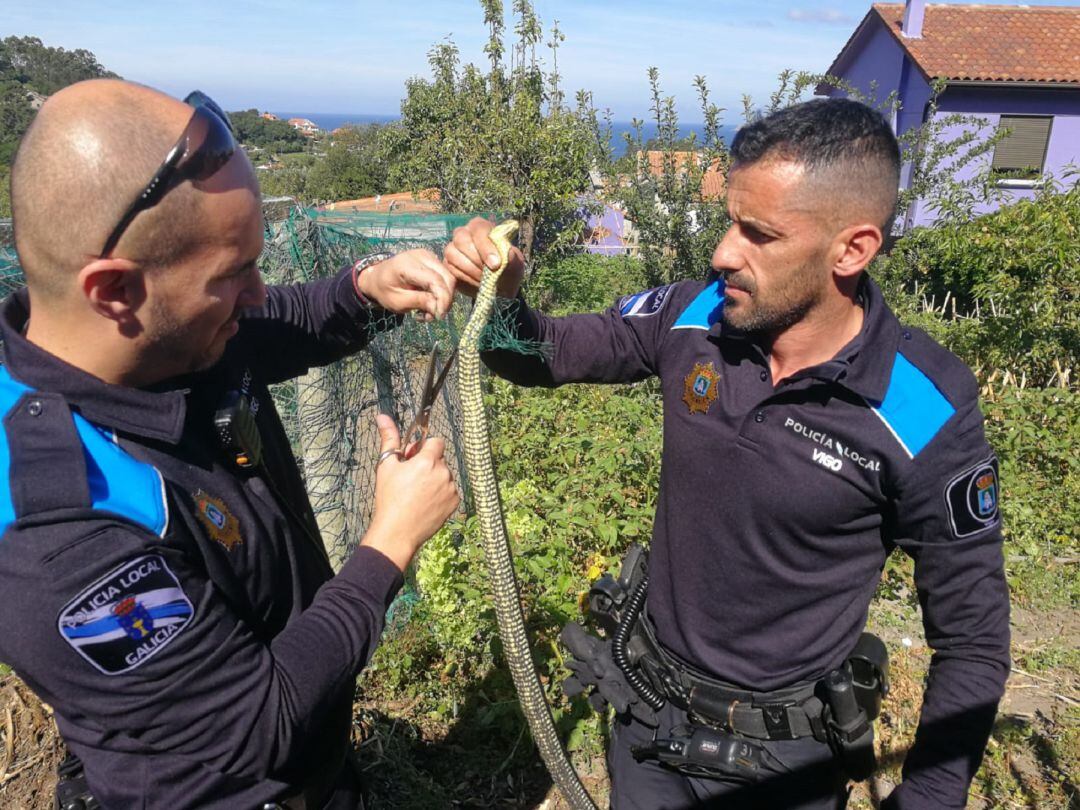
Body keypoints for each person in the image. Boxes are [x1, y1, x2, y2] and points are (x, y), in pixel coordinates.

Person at [445, 98, 1010, 809]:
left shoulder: (923, 410)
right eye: (729, 219)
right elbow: (540, 354)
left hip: (785, 763)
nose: (722, 252)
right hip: (646, 718)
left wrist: (929, 799)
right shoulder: (696, 316)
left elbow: (974, 639)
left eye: (759, 233)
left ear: (852, 249)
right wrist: (499, 302)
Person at [0, 79, 460, 809]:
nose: (257, 291)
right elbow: (260, 723)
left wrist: (364, 287)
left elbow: (277, 319)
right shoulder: (57, 530)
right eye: (234, 272)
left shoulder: (167, 337)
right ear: (115, 291)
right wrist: (389, 544)